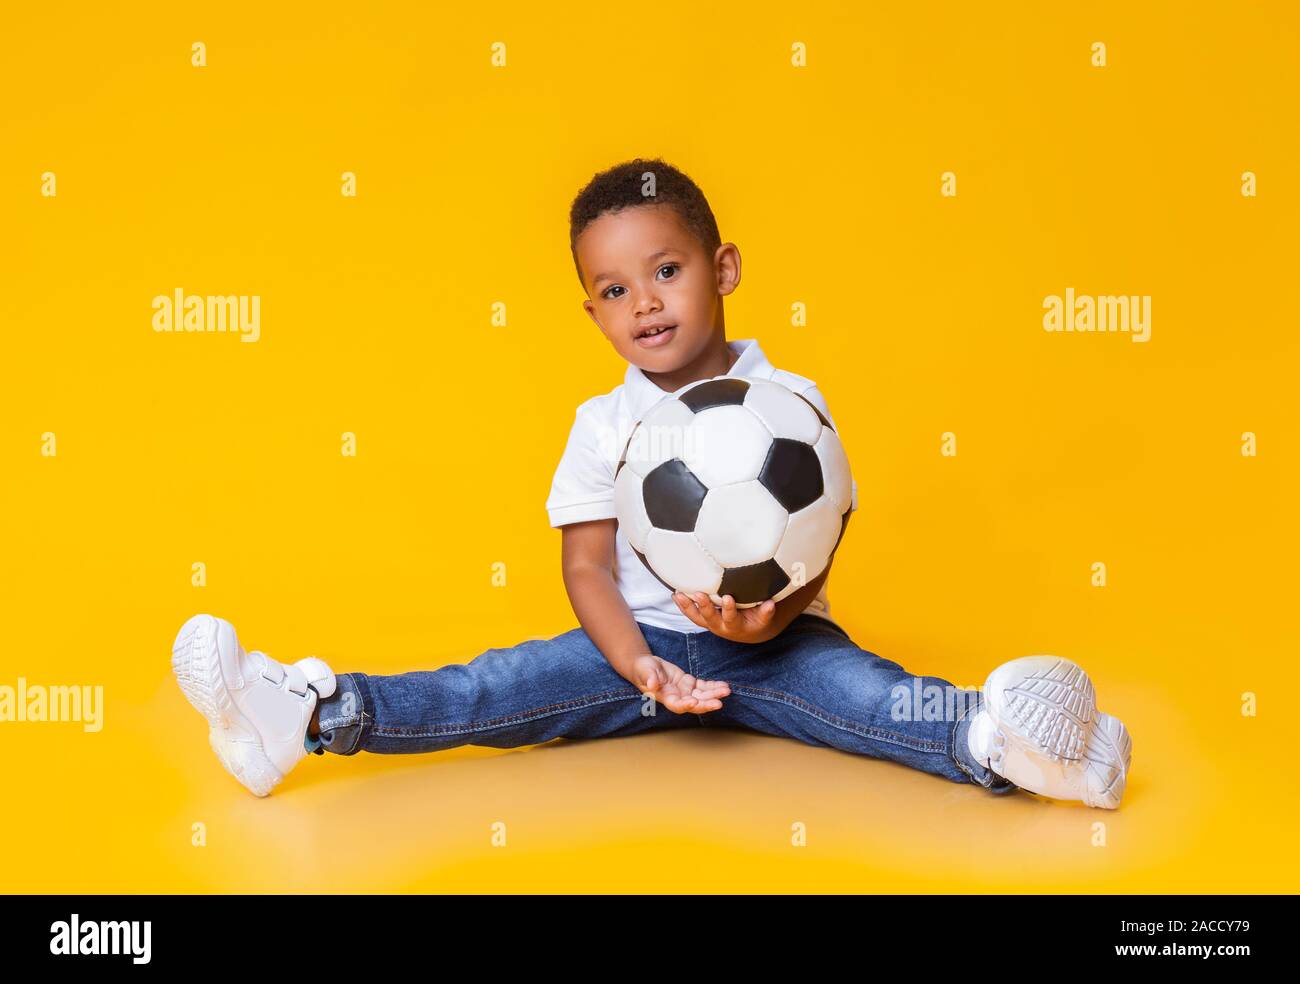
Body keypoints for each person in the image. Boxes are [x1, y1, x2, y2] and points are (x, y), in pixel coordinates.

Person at [171, 157, 1132, 807]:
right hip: (634, 653)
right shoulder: (604, 426)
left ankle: (1025, 746)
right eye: (617, 291)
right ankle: (303, 713)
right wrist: (637, 662)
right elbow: (587, 568)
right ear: (591, 311)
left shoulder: (788, 402)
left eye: (667, 270)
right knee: (490, 689)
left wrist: (775, 616)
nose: (646, 304)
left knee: (873, 701)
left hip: (778, 646)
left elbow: (827, 517)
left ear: (724, 269)